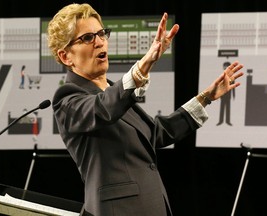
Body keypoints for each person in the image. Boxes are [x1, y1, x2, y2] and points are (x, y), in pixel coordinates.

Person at [47, 3, 244, 216]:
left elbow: (156, 132)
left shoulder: (114, 91)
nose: (100, 42)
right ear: (66, 56)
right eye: (87, 38)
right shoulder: (67, 98)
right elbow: (102, 109)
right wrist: (144, 64)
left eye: (101, 34)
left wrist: (205, 98)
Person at [216, 61, 236, 126]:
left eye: (227, 66)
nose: (225, 67)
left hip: (228, 95)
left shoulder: (232, 76)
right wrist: (218, 94)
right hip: (222, 95)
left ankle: (228, 121)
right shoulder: (221, 76)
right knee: (222, 108)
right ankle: (221, 121)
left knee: (228, 108)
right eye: (225, 66)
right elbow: (218, 86)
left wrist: (233, 95)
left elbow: (233, 87)